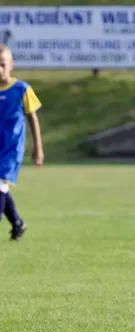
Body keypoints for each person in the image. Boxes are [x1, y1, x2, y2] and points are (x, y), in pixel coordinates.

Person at [0, 44, 44, 240]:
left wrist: (38, 148)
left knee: (0, 183)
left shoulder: (22, 89)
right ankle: (17, 223)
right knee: (1, 186)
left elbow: (32, 118)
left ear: (11, 65)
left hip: (12, 148)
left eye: (2, 64)